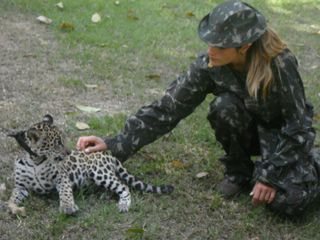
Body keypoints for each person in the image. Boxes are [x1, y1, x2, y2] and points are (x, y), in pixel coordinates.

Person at [76, 0, 320, 217]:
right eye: (210, 42)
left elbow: (299, 126)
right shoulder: (210, 64)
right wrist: (117, 142)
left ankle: (313, 164)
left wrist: (271, 175)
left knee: (289, 202)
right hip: (250, 134)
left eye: (220, 46)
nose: (210, 50)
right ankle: (240, 172)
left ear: (244, 46)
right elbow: (167, 109)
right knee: (224, 106)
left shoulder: (279, 64)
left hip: (284, 141)